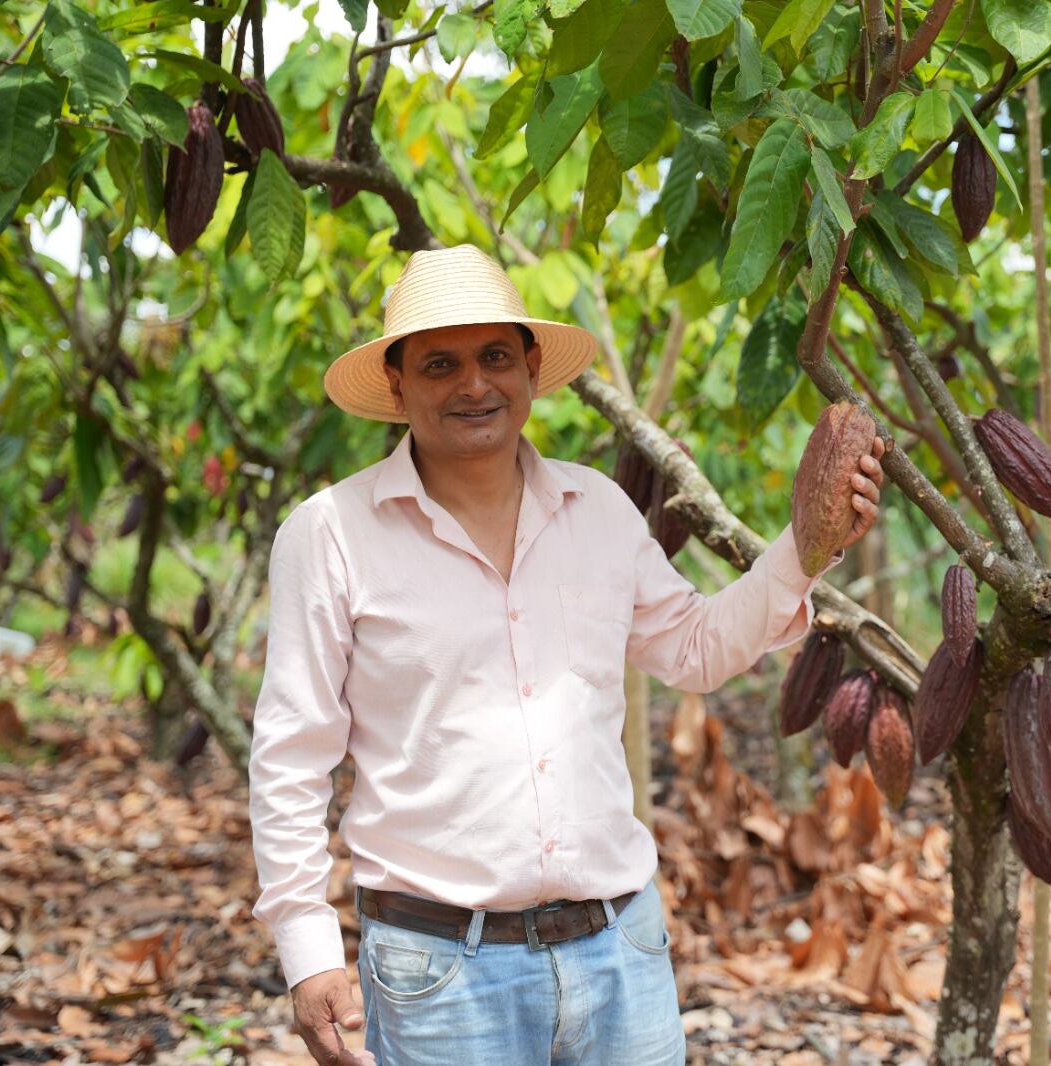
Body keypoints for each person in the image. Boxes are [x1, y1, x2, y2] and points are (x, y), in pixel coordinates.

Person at [247, 244, 885, 1065]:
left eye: (495, 357)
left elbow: (694, 649)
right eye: (441, 364)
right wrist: (308, 955)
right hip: (440, 969)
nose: (474, 385)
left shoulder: (600, 512)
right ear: (399, 386)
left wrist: (806, 548)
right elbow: (290, 758)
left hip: (619, 952)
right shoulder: (330, 534)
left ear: (532, 368)